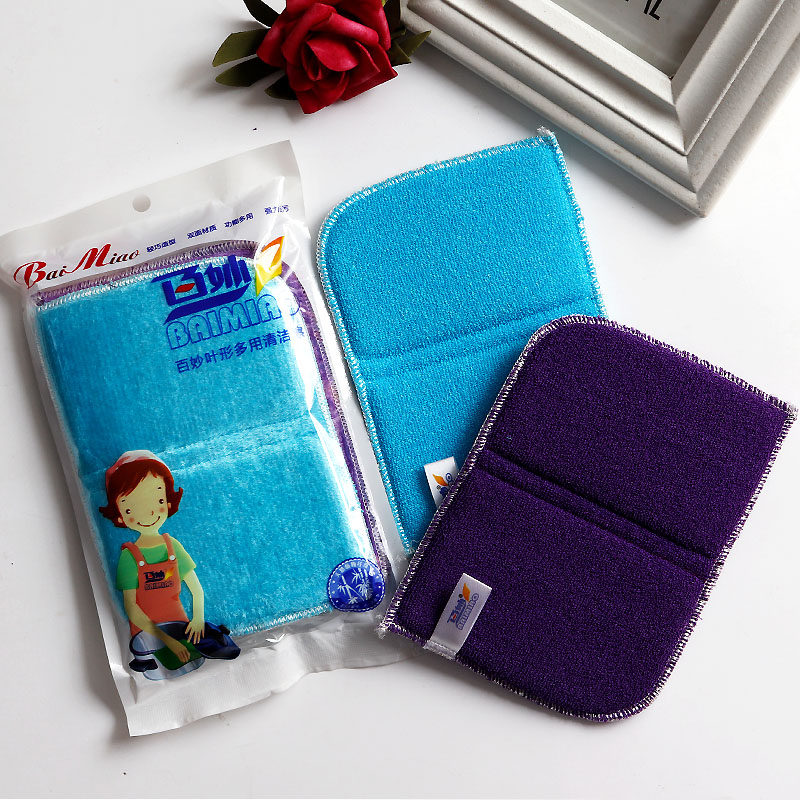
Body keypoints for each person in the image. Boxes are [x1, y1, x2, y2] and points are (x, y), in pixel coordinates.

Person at [99, 450, 238, 679]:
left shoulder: (173, 546)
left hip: (182, 627)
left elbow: (196, 589)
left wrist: (197, 619)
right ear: (120, 514)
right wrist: (167, 641)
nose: (149, 512)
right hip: (148, 635)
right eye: (131, 508)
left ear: (168, 501)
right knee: (173, 668)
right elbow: (132, 609)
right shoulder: (128, 557)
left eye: (159, 500)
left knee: (209, 656)